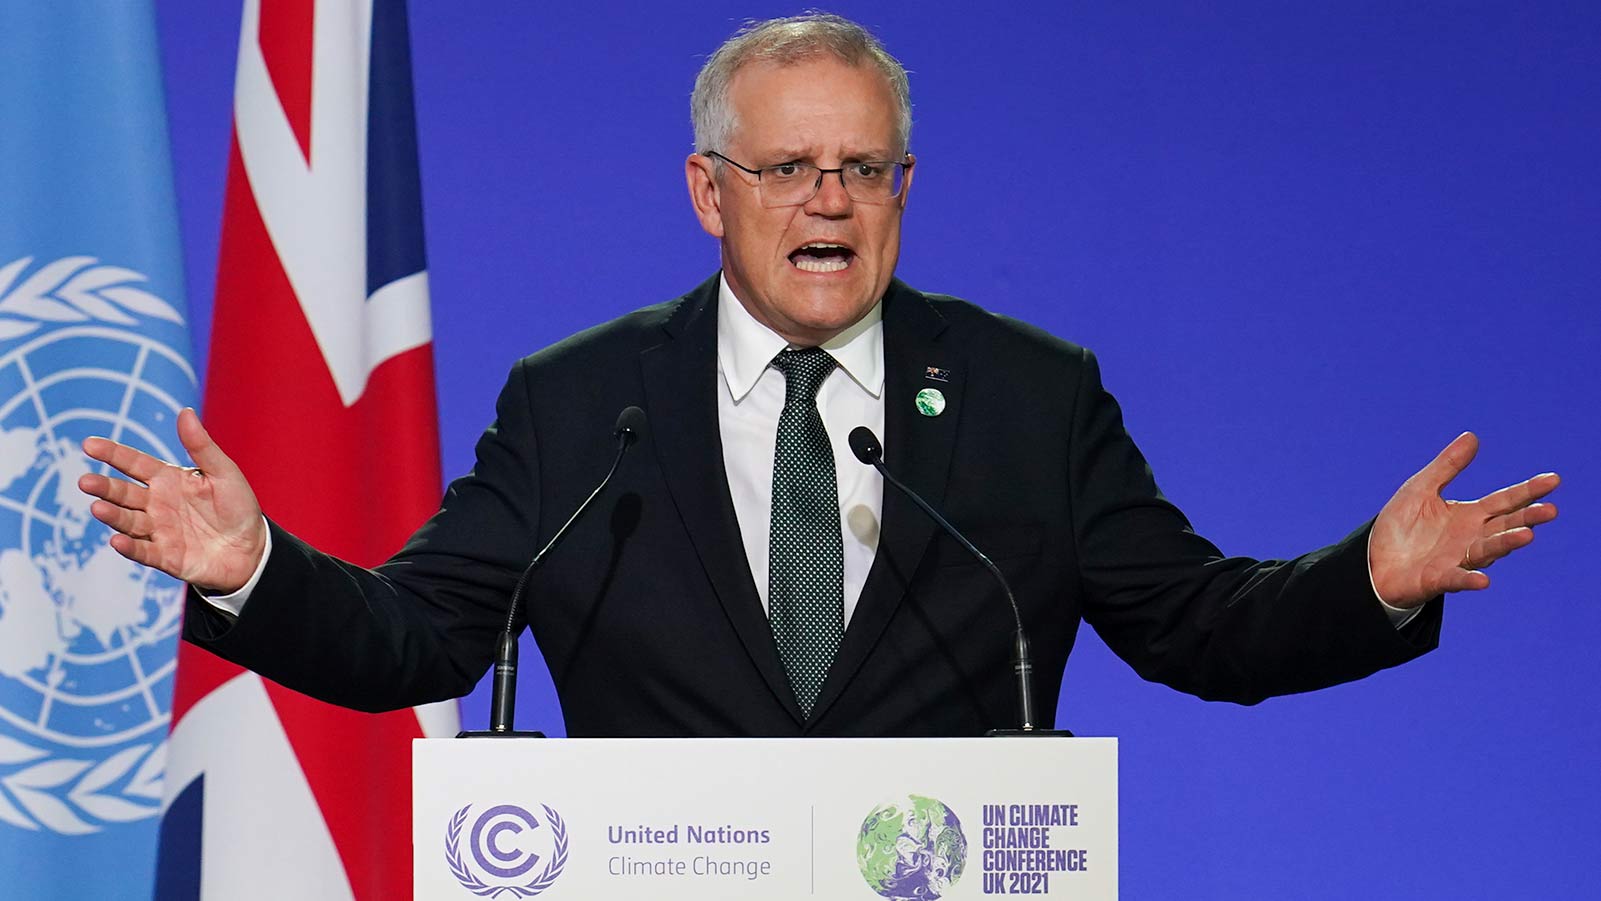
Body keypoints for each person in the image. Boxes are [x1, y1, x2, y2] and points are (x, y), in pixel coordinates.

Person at [78, 14, 1557, 737]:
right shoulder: (586, 405)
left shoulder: (1029, 399)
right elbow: (422, 637)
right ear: (707, 192)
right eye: (787, 167)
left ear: (904, 188)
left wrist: (1366, 577)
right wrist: (254, 566)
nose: (829, 201)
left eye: (862, 167)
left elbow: (1197, 626)